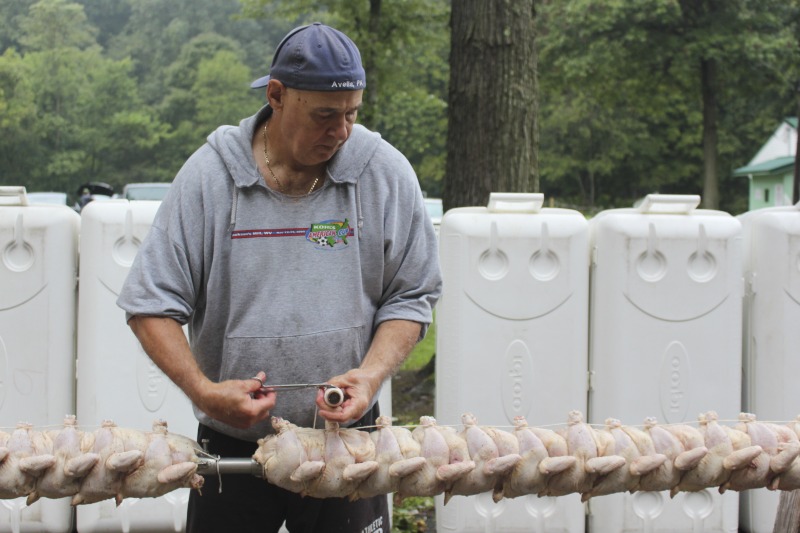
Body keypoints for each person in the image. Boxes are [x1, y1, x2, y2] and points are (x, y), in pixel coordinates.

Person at [116, 22, 442, 533]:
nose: (340, 132)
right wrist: (203, 392)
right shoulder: (210, 177)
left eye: (351, 115)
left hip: (347, 442)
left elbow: (412, 294)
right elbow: (150, 302)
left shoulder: (383, 172)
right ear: (276, 96)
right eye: (324, 116)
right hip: (233, 447)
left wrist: (371, 374)